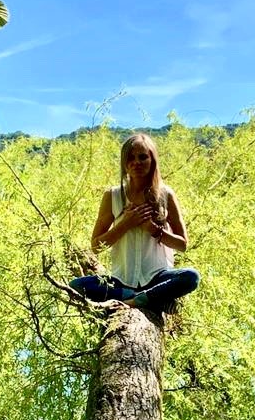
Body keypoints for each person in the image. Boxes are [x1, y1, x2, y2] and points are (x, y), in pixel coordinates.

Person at [70, 132, 200, 311]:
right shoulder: (113, 196)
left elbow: (182, 244)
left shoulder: (166, 195)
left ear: (152, 160)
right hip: (121, 281)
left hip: (157, 277)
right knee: (77, 285)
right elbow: (96, 246)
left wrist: (154, 230)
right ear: (124, 163)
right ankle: (140, 298)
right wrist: (125, 224)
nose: (136, 162)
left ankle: (142, 297)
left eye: (143, 157)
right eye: (130, 157)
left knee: (191, 277)